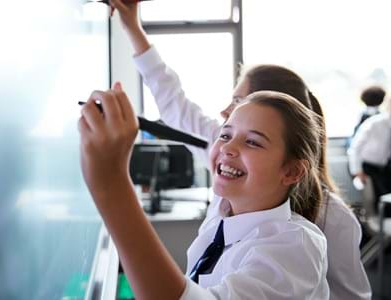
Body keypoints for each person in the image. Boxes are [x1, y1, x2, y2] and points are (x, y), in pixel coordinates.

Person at [109, 1, 372, 298]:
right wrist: (132, 26)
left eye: (238, 102)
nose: (225, 113)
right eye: (226, 133)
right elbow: (175, 105)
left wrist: (110, 182)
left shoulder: (317, 227)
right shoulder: (227, 187)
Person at [79, 84, 328, 298]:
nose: (228, 148)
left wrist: (110, 184)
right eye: (225, 135)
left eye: (252, 141)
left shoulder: (296, 247)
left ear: (292, 172)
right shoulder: (223, 210)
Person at [348, 93, 391, 215]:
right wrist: (357, 171)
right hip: (368, 166)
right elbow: (354, 148)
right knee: (382, 199)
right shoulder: (374, 123)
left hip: (387, 167)